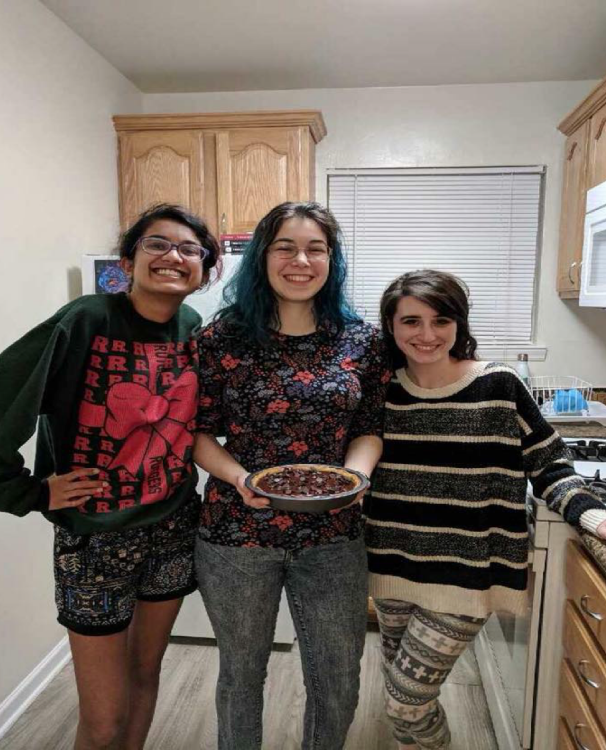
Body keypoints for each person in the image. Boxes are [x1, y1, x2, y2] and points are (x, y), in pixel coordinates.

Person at [0, 204, 221, 750]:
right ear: (128, 259)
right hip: (94, 539)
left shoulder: (193, 328)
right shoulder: (85, 319)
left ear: (204, 269)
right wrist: (30, 491)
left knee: (144, 676)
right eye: (157, 244)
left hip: (174, 526)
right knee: (103, 717)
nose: (173, 256)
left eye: (189, 249)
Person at [366, 269, 606, 750]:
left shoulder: (498, 385)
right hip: (391, 564)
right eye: (411, 321)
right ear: (391, 326)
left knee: (405, 700)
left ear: (459, 325)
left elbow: (549, 464)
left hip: (467, 574)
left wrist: (591, 514)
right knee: (398, 685)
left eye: (441, 321)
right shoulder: (382, 390)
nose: (427, 335)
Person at [192, 201, 390, 750]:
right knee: (241, 674)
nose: (300, 260)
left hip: (333, 535)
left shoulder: (362, 341)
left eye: (315, 248)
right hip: (238, 534)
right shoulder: (221, 340)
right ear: (263, 256)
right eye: (285, 246)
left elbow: (369, 426)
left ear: (332, 259)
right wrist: (239, 478)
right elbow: (198, 433)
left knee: (337, 678)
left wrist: (354, 477)